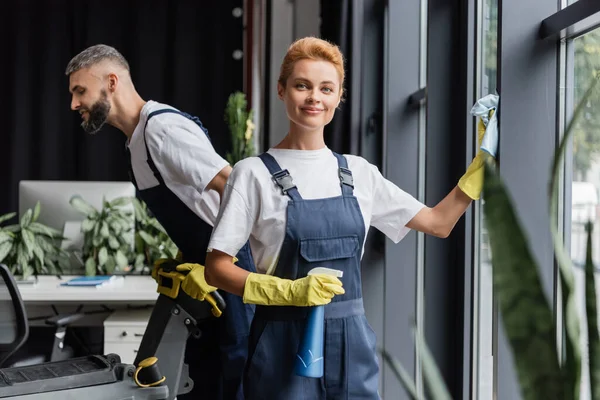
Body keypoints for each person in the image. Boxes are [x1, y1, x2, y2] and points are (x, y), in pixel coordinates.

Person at [201, 37, 492, 399]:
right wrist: (287, 291)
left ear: (339, 97)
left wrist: (481, 168)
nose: (314, 98)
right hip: (280, 342)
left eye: (326, 88)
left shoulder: (358, 173)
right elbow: (216, 267)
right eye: (302, 85)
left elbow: (438, 222)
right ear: (281, 89)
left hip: (352, 346)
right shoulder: (252, 174)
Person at [64, 44, 255, 400]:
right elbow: (195, 205)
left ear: (111, 81)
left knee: (235, 376)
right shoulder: (136, 142)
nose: (74, 103)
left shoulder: (162, 130)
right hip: (207, 280)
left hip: (229, 273)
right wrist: (186, 259)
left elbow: (233, 187)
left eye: (80, 91)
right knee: (204, 376)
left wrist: (219, 259)